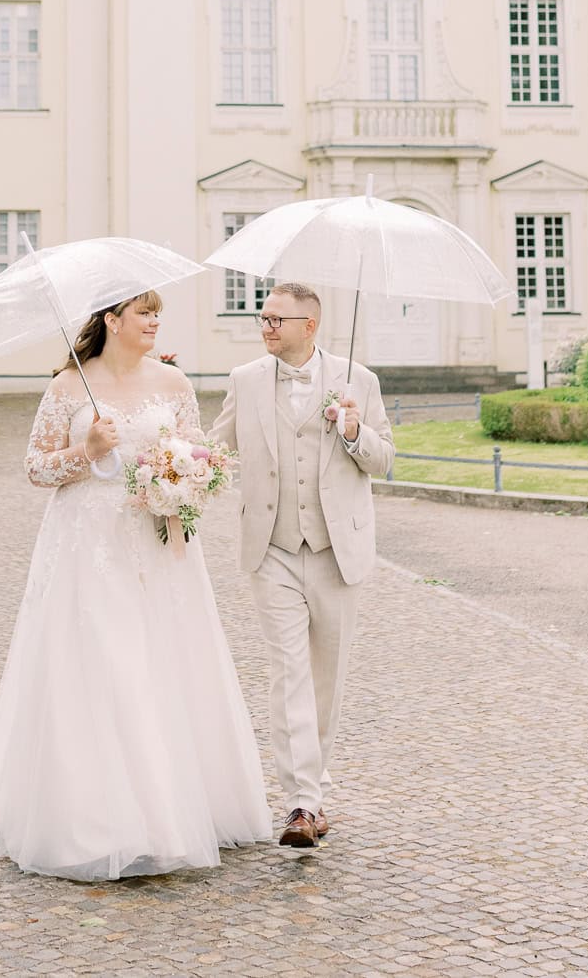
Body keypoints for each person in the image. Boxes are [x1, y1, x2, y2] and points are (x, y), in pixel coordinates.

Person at [0, 290, 270, 881]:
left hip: (158, 542)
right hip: (85, 546)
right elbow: (36, 468)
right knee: (99, 666)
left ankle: (175, 810)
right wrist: (85, 450)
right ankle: (97, 818)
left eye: (157, 313)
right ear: (112, 321)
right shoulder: (68, 386)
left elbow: (198, 454)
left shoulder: (174, 384)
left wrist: (182, 479)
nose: (154, 322)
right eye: (144, 313)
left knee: (161, 664)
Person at [209, 281, 395, 850]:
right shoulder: (244, 380)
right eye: (262, 318)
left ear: (309, 326)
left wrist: (354, 430)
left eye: (276, 320)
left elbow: (384, 460)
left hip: (337, 548)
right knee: (288, 671)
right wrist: (170, 468)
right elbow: (216, 448)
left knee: (326, 678)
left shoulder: (358, 380)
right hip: (272, 547)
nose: (265, 327)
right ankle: (301, 803)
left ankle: (313, 784)